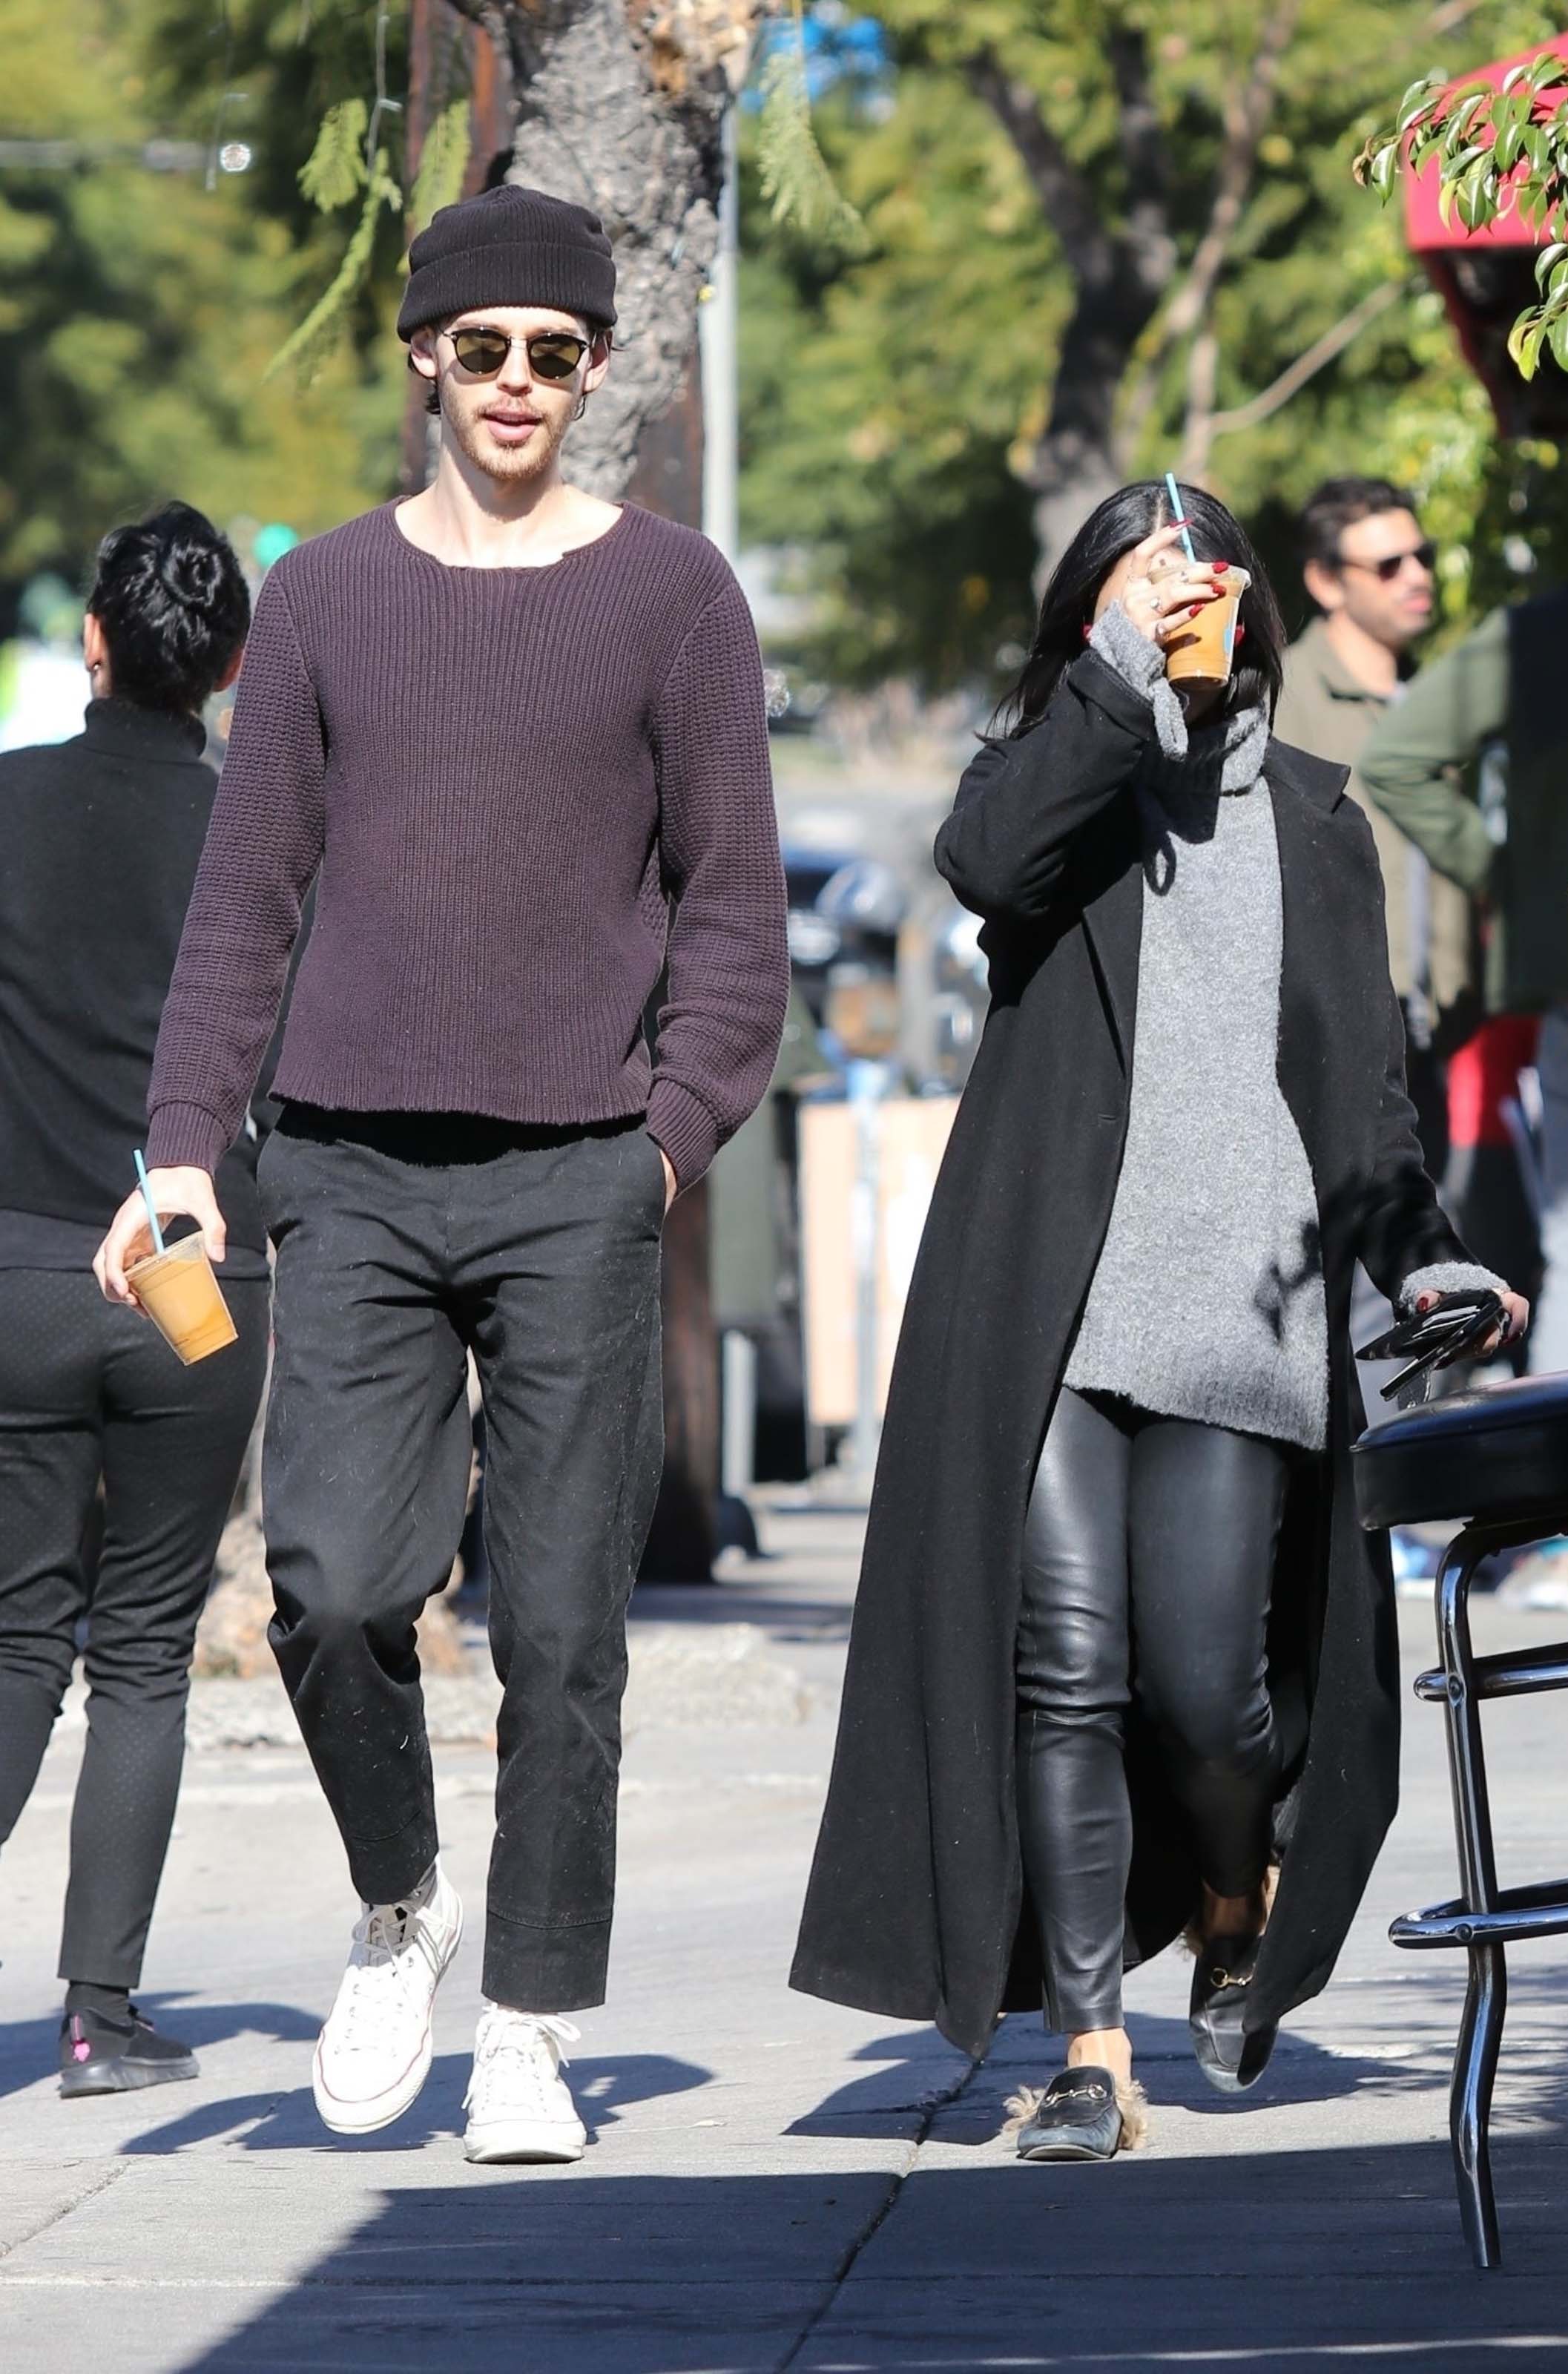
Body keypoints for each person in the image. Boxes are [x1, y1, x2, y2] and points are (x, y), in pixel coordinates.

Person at [95, 185, 789, 2165]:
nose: (512, 383)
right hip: (350, 1168)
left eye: (550, 354)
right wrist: (182, 1158)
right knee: (325, 1584)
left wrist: (663, 1143)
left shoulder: (674, 599)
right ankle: (398, 1904)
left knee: (562, 1625)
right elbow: (247, 898)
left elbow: (733, 920)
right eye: (477, 347)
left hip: (581, 1169)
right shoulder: (319, 594)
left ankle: (535, 2022)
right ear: (421, 358)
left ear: (589, 372)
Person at [791, 482, 1525, 2165]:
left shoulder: (1322, 828)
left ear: (1256, 609)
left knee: (1206, 1693)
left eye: (1196, 580)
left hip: (1239, 1308)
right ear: (1091, 619)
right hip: (1052, 1293)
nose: (1174, 601)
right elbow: (980, 866)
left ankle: (1226, 1885)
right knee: (1064, 1668)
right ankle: (1086, 2050)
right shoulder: (1056, 789)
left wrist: (1418, 1263)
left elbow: (1366, 1110)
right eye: (1134, 582)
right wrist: (1115, 678)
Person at [0, 502, 269, 2094]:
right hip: (189, 1283)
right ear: (227, 666)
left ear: (92, 643)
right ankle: (102, 2015)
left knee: (14, 1638)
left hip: (19, 1269)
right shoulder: (256, 836)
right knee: (146, 1652)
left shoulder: (6, 809)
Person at [1356, 576, 1568, 1378]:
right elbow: (1399, 761)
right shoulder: (1545, 634)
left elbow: (1398, 757)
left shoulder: (1544, 633)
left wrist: (1521, 885)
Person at [1277, 476, 1472, 1175]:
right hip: (1330, 1052)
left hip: (1431, 1040)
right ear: (1326, 583)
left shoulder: (1433, 696)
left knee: (1434, 1268)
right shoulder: (1283, 700)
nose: (1417, 576)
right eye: (1388, 565)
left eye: (1421, 555)